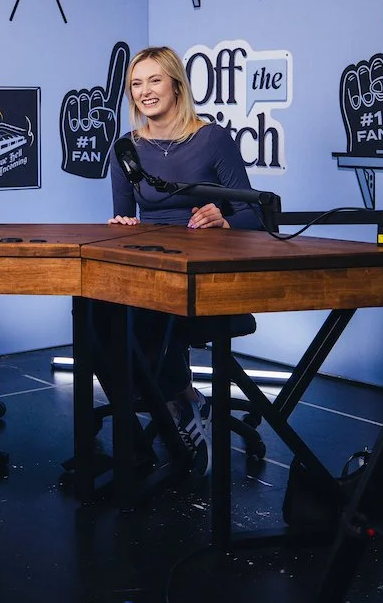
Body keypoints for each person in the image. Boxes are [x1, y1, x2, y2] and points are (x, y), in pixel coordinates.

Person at [106, 45, 261, 477]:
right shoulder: (126, 150)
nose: (145, 91)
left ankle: (180, 405)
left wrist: (226, 220)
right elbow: (124, 221)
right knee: (100, 315)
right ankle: (167, 415)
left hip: (207, 274)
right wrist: (121, 228)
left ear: (176, 84)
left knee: (146, 317)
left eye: (154, 80)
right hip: (155, 269)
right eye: (136, 84)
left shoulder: (212, 139)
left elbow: (256, 213)